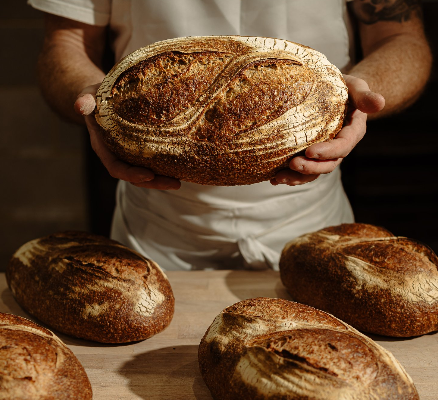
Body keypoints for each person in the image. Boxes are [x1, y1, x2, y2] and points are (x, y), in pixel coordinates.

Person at [30, 0, 431, 271]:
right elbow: (64, 43)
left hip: (311, 217)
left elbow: (402, 38)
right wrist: (90, 97)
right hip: (157, 226)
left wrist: (361, 94)